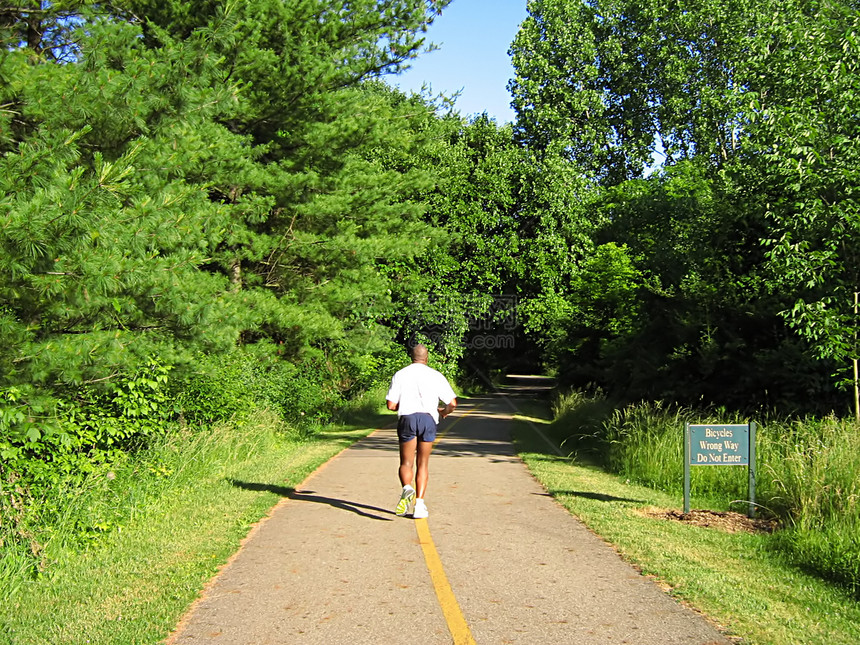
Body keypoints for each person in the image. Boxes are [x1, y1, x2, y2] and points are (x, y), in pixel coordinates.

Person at [385, 344, 457, 519]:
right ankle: (420, 505)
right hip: (428, 419)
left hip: (408, 419)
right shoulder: (435, 375)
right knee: (423, 463)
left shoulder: (401, 374)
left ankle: (407, 488)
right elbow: (452, 403)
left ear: (411, 357)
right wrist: (444, 413)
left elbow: (391, 405)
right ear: (427, 358)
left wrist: (405, 406)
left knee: (406, 463)